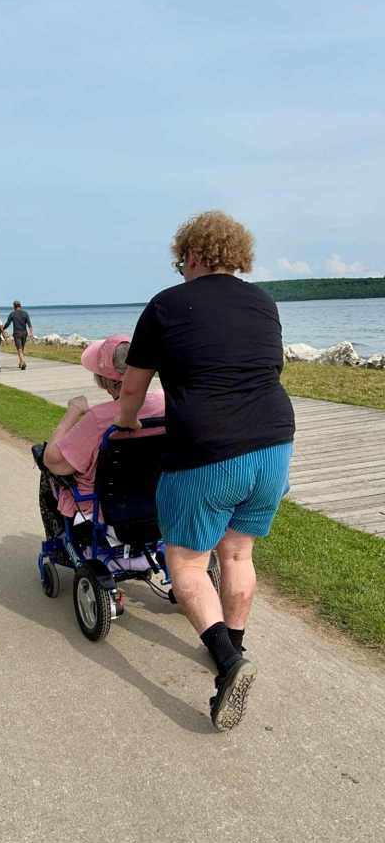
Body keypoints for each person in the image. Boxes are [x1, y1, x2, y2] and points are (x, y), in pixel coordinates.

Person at [115, 210, 295, 732]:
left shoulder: (166, 306)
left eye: (181, 263)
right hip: (274, 442)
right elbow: (267, 367)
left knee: (188, 564)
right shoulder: (263, 302)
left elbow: (133, 385)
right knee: (237, 553)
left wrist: (127, 423)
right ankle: (233, 646)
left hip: (207, 449)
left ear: (191, 255)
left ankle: (227, 661)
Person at [43, 335, 164, 532]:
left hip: (105, 514)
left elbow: (53, 461)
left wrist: (73, 412)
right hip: (159, 506)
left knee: (46, 470)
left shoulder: (99, 418)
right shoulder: (165, 403)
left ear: (107, 381)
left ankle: (58, 538)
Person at [3, 301, 32, 370]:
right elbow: (29, 324)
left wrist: (2, 329)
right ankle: (20, 363)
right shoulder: (25, 313)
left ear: (14, 306)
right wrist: (31, 333)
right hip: (24, 333)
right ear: (20, 306)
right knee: (22, 349)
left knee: (19, 349)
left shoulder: (12, 314)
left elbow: (7, 323)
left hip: (17, 333)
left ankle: (23, 362)